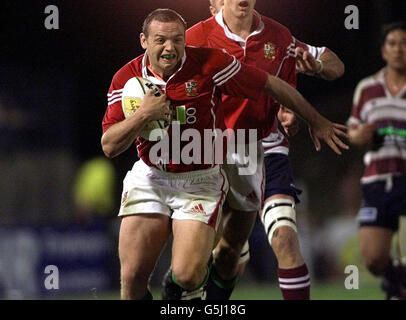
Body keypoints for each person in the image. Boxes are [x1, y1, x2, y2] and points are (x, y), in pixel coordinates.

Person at [101, 8, 348, 300]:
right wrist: (143, 115)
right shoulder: (127, 79)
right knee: (131, 278)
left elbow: (272, 84)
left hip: (212, 171)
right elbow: (109, 145)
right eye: (160, 40)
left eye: (176, 40)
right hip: (152, 176)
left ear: (184, 40)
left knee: (191, 272)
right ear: (144, 40)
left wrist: (314, 119)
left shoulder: (210, 62)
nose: (170, 47)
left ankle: (200, 285)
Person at [348, 21, 406, 300]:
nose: (399, 49)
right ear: (384, 51)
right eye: (393, 44)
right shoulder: (367, 88)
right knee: (372, 259)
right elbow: (352, 131)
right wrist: (361, 134)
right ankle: (396, 283)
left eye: (403, 43)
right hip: (376, 181)